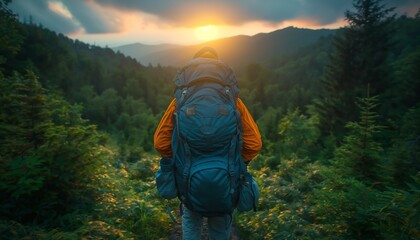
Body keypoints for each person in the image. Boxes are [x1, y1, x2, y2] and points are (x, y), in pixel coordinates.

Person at [154, 47, 262, 239]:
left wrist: (180, 157)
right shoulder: (234, 102)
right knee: (220, 223)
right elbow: (254, 144)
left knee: (190, 218)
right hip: (226, 180)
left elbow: (160, 143)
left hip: (188, 179)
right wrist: (237, 162)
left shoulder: (179, 102)